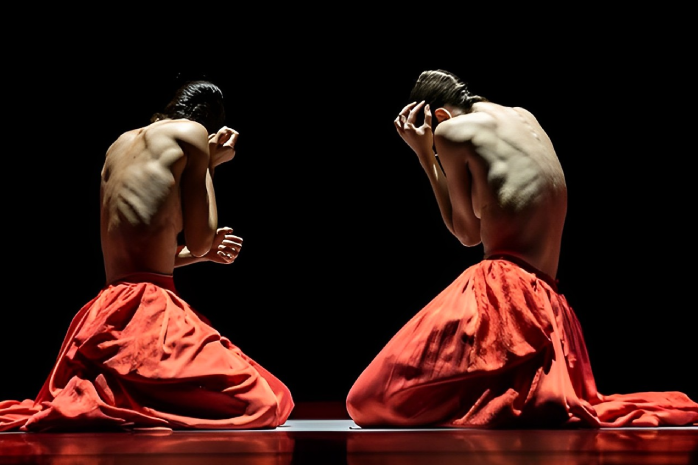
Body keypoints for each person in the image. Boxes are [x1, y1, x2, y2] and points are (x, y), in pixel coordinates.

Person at [345, 69, 698, 428]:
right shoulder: (524, 116)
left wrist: (425, 155)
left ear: (439, 117)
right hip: (550, 306)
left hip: (504, 295)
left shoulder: (451, 130)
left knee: (366, 400)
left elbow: (467, 233)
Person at [0, 80, 294, 432]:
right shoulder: (194, 133)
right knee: (266, 402)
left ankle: (123, 400)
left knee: (269, 395)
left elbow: (142, 257)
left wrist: (199, 257)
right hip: (148, 311)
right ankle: (131, 406)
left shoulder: (118, 145)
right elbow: (201, 239)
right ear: (210, 125)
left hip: (105, 310)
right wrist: (211, 164)